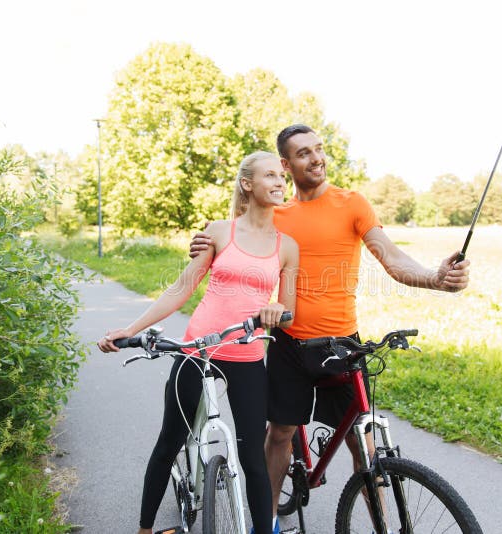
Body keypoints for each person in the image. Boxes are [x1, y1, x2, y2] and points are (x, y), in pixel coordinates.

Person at [189, 125, 470, 529]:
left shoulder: (351, 204)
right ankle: (264, 523)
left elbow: (392, 260)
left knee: (362, 442)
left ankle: (384, 527)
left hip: (341, 344)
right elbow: (235, 245)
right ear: (285, 165)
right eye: (303, 153)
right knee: (281, 433)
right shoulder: (276, 213)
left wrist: (435, 278)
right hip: (288, 343)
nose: (316, 158)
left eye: (319, 149)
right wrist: (202, 246)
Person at [98, 151, 299, 534]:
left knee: (253, 461)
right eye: (269, 175)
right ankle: (144, 529)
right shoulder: (219, 231)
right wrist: (131, 328)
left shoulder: (287, 246)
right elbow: (182, 289)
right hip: (197, 352)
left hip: (248, 355)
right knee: (169, 441)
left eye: (281, 177)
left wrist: (275, 308)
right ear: (247, 184)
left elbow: (287, 308)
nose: (278, 182)